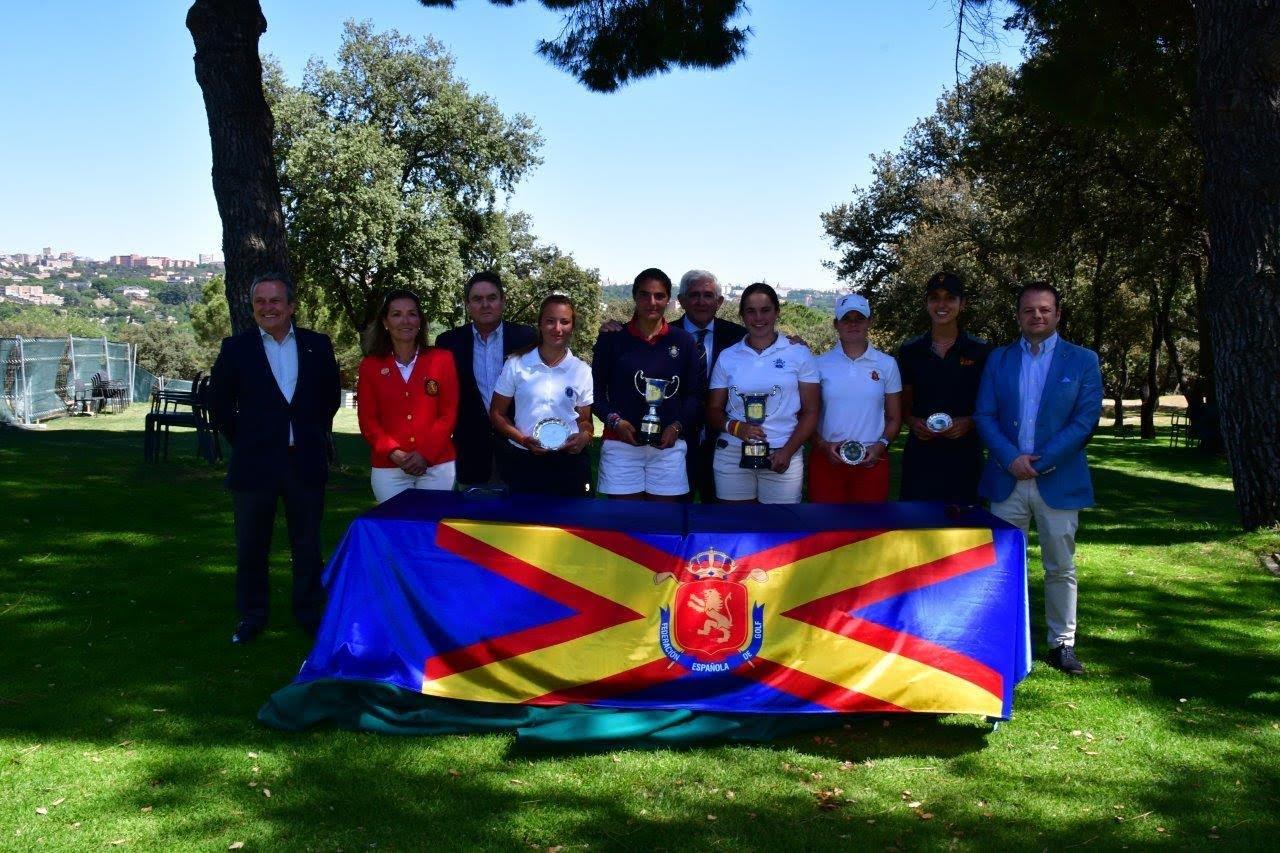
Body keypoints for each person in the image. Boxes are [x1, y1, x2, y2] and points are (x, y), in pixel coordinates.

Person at [975, 281, 1103, 675]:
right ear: (1018, 316)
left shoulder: (1083, 360)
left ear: (1058, 314)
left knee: (1060, 567)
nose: (1037, 316)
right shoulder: (999, 359)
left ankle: (1062, 644)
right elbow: (984, 415)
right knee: (1002, 564)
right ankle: (1003, 640)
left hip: (1058, 480)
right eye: (1029, 310)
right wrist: (1011, 458)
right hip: (1006, 478)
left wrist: (1039, 462)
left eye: (1045, 309)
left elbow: (1084, 422)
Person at [209, 271, 341, 645]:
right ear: (253, 308)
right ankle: (251, 617)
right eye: (260, 302)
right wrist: (246, 440)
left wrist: (310, 432)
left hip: (305, 461)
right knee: (252, 546)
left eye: (275, 301)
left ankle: (309, 614)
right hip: (255, 465)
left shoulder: (318, 345)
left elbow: (330, 397)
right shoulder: (236, 349)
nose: (268, 308)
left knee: (307, 545)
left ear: (292, 306)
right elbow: (218, 404)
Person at [592, 268, 705, 501]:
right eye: (644, 295)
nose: (651, 302)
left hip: (668, 448)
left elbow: (694, 395)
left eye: (659, 296)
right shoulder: (612, 338)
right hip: (620, 445)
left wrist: (676, 427)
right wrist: (615, 422)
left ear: (668, 299)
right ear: (634, 297)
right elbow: (594, 393)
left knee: (663, 526)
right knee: (624, 526)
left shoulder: (683, 341)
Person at [706, 283, 820, 504]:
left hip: (783, 454)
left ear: (777, 312)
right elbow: (712, 410)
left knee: (779, 532)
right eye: (751, 311)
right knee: (736, 530)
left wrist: (788, 451)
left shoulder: (799, 353)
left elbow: (812, 411)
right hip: (733, 453)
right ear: (742, 315)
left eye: (765, 310)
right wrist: (737, 428)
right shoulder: (728, 356)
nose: (758, 317)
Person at [897, 272, 992, 504]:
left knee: (966, 534)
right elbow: (904, 403)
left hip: (965, 456)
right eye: (934, 298)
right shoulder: (910, 350)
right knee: (917, 531)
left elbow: (990, 404)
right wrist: (912, 421)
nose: (942, 304)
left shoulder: (981, 350)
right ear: (926, 303)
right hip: (921, 455)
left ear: (962, 303)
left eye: (950, 297)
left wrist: (969, 421)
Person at [357, 289, 460, 503]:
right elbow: (368, 420)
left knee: (431, 529)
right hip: (389, 468)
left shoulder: (442, 359)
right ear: (385, 322)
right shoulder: (370, 366)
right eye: (396, 314)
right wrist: (394, 452)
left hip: (437, 465)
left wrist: (425, 454)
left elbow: (448, 414)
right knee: (396, 532)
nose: (405, 320)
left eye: (412, 314)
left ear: (420, 320)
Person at [434, 271, 536, 487]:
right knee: (472, 519)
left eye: (491, 298)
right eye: (477, 299)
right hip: (470, 452)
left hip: (521, 451)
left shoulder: (527, 338)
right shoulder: (449, 343)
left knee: (521, 519)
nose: (485, 305)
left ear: (503, 301)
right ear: (467, 304)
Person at [489, 294, 594, 497]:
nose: (557, 328)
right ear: (539, 324)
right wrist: (522, 439)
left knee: (570, 527)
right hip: (523, 461)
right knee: (525, 526)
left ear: (572, 326)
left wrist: (584, 436)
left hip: (569, 465)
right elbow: (496, 414)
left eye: (564, 322)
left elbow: (585, 420)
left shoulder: (582, 370)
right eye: (550, 321)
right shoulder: (516, 364)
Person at [810, 293, 902, 503]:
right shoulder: (817, 364)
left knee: (869, 530)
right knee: (826, 529)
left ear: (869, 322)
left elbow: (895, 417)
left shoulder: (887, 364)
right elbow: (807, 415)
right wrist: (823, 446)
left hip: (873, 459)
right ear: (836, 324)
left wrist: (881, 445)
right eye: (846, 319)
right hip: (828, 460)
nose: (853, 324)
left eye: (859, 318)